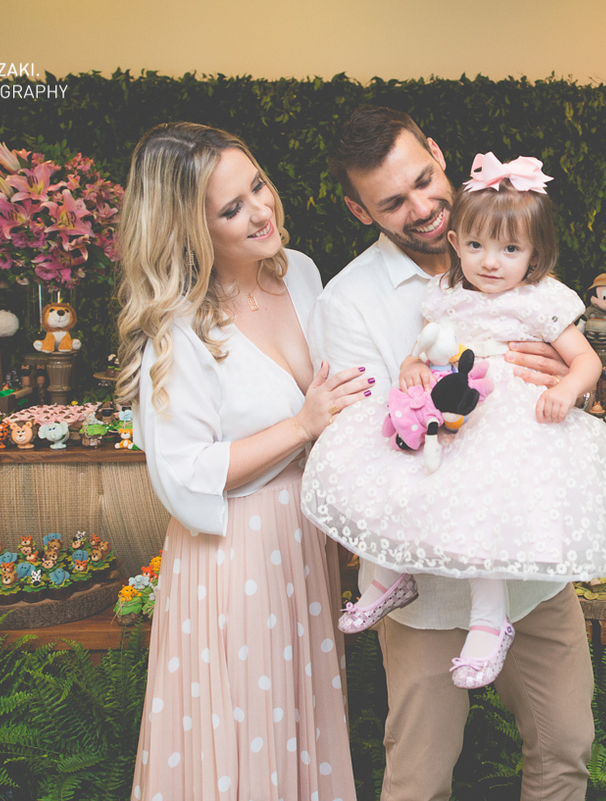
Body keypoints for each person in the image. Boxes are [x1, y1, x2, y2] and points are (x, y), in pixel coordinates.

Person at [304, 106, 606, 801]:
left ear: (439, 153)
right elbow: (368, 447)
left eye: (423, 179)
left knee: (566, 744)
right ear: (362, 211)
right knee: (419, 774)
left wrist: (553, 389)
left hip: (528, 565)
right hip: (424, 583)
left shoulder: (514, 244)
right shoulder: (349, 303)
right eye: (394, 201)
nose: (422, 207)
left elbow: (575, 376)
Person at [116, 122, 366, 801]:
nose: (261, 210)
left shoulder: (304, 274)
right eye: (232, 208)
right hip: (235, 555)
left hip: (305, 540)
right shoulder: (179, 328)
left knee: (300, 717)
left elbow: (340, 394)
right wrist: (301, 424)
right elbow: (182, 472)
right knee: (246, 725)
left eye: (257, 184)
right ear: (191, 229)